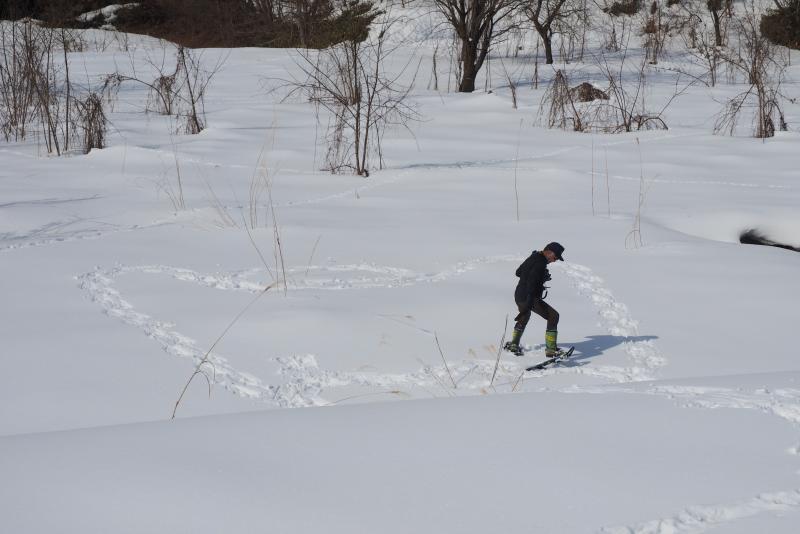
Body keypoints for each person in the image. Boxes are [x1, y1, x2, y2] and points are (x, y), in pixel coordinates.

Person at [504, 242, 565, 357]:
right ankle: (551, 351)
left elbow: (518, 272)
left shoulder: (534, 257)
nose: (555, 260)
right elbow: (532, 283)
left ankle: (514, 345)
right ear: (549, 252)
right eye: (555, 257)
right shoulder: (540, 263)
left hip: (519, 295)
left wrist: (540, 276)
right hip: (528, 296)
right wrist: (530, 300)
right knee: (553, 316)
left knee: (525, 315)